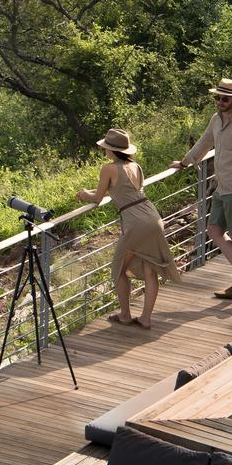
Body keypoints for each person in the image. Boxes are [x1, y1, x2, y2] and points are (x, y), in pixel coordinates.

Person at [76, 128, 179, 329]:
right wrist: (94, 192)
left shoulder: (108, 169)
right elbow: (123, 192)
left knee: (118, 269)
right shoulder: (136, 166)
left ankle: (125, 314)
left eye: (105, 148)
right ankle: (145, 319)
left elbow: (97, 198)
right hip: (152, 216)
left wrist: (83, 194)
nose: (104, 151)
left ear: (111, 150)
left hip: (134, 222)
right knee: (150, 269)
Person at [172, 77, 232, 302]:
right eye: (218, 97)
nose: (220, 101)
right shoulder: (216, 120)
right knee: (214, 230)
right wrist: (184, 162)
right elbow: (203, 143)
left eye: (225, 98)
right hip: (222, 187)